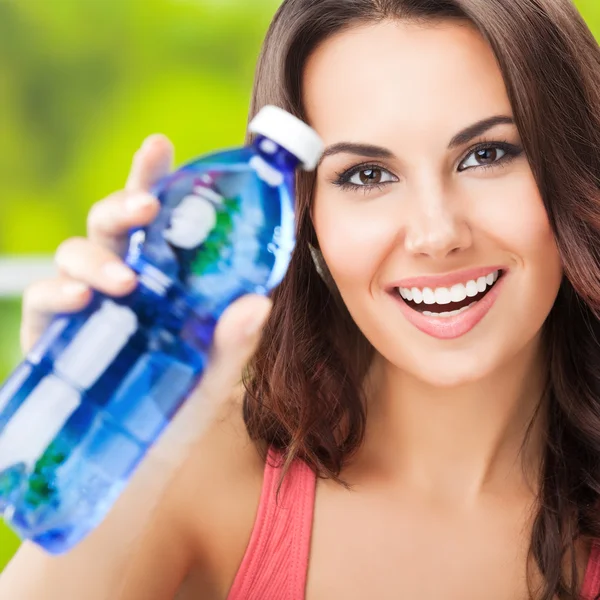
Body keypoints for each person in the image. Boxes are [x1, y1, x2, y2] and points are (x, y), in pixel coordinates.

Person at [1, 0, 600, 598]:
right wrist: (111, 432)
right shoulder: (205, 471)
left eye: (486, 155)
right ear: (304, 218)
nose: (437, 234)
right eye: (367, 175)